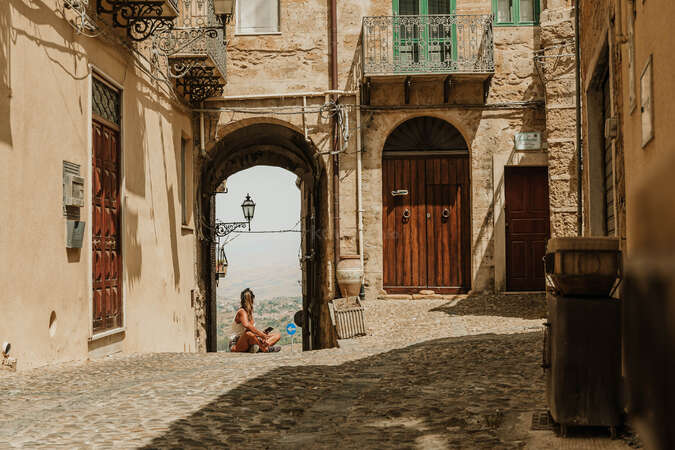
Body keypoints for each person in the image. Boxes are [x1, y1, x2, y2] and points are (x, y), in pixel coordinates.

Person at [229, 288, 282, 353]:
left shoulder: (249, 314)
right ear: (251, 300)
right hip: (237, 343)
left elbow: (253, 330)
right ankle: (265, 349)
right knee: (248, 334)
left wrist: (262, 334)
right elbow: (247, 326)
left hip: (251, 340)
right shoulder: (241, 312)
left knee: (277, 335)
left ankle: (258, 347)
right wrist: (261, 335)